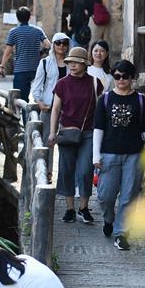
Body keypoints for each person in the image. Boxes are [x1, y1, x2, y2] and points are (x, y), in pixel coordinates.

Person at [93, 59, 145, 251]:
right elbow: (98, 128)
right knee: (105, 195)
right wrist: (95, 155)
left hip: (134, 154)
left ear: (132, 78)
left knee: (129, 195)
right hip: (109, 153)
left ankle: (122, 233)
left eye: (125, 77)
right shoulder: (105, 99)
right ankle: (108, 218)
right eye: (117, 76)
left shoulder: (139, 100)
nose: (120, 80)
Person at [48, 46, 103, 225]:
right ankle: (70, 209)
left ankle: (83, 208)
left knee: (86, 171)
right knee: (66, 170)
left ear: (84, 64)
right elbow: (55, 109)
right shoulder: (62, 83)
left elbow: (101, 110)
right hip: (66, 132)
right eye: (70, 62)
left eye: (76, 62)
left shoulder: (95, 83)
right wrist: (51, 132)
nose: (72, 65)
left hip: (88, 133)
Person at [33, 32, 70, 174]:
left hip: (66, 107)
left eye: (64, 43)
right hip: (49, 106)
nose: (61, 46)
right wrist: (39, 101)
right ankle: (46, 172)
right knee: (46, 140)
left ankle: (63, 175)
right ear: (53, 45)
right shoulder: (45, 62)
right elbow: (37, 85)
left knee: (65, 142)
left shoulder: (70, 63)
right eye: (58, 43)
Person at [0, 7, 50, 101]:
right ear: (29, 17)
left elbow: (8, 52)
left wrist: (2, 66)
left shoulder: (14, 32)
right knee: (38, 98)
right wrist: (40, 53)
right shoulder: (38, 30)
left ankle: (24, 116)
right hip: (36, 69)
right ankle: (35, 114)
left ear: (17, 18)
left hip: (21, 70)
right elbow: (48, 45)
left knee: (20, 99)